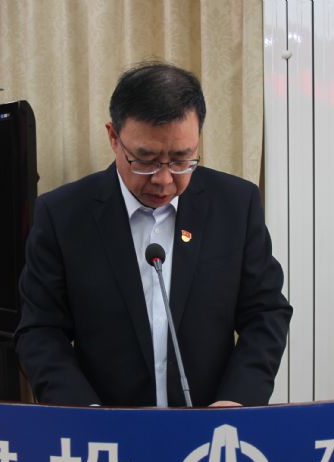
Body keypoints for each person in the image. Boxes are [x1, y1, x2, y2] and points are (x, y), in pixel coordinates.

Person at [16, 62, 291, 407]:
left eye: (181, 159)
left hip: (208, 425)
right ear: (113, 138)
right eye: (145, 159)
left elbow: (266, 313)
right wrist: (84, 414)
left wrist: (238, 400)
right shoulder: (63, 215)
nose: (163, 180)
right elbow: (40, 330)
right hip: (107, 428)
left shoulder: (236, 205)